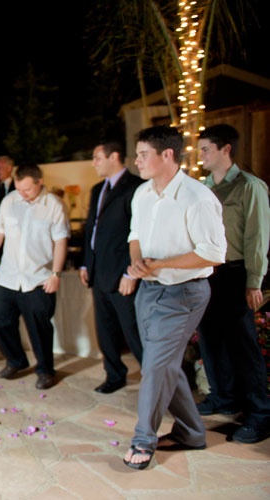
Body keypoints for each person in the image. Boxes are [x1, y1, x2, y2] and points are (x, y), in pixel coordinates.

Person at [123, 125, 226, 470]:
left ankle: (143, 440)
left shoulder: (198, 197)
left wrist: (161, 264)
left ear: (167, 155)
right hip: (148, 291)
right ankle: (192, 432)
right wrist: (138, 262)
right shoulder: (142, 194)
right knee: (163, 365)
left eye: (143, 154)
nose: (136, 161)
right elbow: (135, 236)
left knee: (155, 367)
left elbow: (213, 253)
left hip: (184, 294)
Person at [196, 124, 270, 444]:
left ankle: (260, 414)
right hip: (207, 272)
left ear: (226, 149)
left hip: (236, 272)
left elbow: (257, 237)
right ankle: (223, 397)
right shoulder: (202, 188)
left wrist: (254, 282)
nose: (200, 155)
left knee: (243, 345)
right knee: (210, 338)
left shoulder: (249, 187)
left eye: (205, 149)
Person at [0, 163, 69, 390]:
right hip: (7, 276)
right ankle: (16, 361)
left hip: (38, 278)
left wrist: (56, 273)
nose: (22, 193)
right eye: (19, 189)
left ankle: (45, 370)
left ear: (40, 182)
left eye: (27, 189)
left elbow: (60, 241)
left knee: (39, 328)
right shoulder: (9, 201)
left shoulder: (54, 205)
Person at [79, 139, 144, 394]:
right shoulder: (98, 189)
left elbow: (139, 234)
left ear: (113, 156)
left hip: (123, 272)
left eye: (97, 158)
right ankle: (114, 374)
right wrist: (86, 263)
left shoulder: (136, 187)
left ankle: (157, 379)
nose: (93, 163)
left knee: (134, 330)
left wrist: (131, 272)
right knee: (104, 329)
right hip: (98, 271)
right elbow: (91, 229)